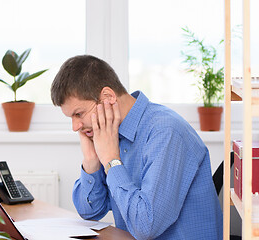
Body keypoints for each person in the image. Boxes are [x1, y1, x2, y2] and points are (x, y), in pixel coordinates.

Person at [50, 55, 223, 239]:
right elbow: (91, 212)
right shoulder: (109, 135)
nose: (75, 127)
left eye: (79, 114)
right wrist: (91, 162)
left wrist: (111, 161)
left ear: (108, 97)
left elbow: (145, 226)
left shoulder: (165, 132)